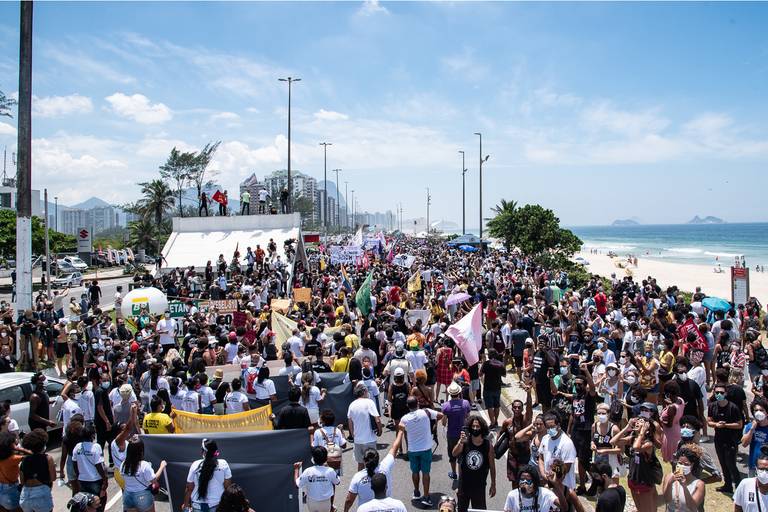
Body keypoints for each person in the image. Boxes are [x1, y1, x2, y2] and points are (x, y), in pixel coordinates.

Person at [398, 396, 443, 507]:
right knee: (426, 473)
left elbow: (401, 428)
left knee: (415, 471)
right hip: (426, 448)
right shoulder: (426, 412)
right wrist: (433, 423)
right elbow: (440, 415)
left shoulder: (404, 418)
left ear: (407, 406)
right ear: (417, 403)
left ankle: (417, 492)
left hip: (412, 449)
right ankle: (426, 497)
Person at [343, 431, 404, 512]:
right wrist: (400, 432)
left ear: (364, 461)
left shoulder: (358, 477)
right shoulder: (385, 466)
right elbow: (394, 448)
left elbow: (349, 500)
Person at [611, 416, 658, 512]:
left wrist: (642, 433)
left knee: (647, 509)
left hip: (644, 482)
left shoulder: (648, 444)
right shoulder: (632, 439)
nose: (637, 422)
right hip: (633, 479)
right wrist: (627, 427)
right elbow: (613, 441)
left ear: (647, 429)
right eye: (637, 421)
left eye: (641, 422)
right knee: (639, 508)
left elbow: (636, 447)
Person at [451, 415, 496, 512]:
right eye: (473, 426)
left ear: (482, 428)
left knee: (479, 510)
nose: (475, 428)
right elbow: (454, 453)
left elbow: (492, 466)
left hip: (479, 486)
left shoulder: (488, 445)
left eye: (477, 426)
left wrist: (493, 484)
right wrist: (461, 443)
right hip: (464, 485)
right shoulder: (464, 441)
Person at [708, 381, 743, 493]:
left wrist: (725, 425)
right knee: (723, 463)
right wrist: (716, 424)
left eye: (721, 392)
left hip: (730, 440)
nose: (719, 394)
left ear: (726, 393)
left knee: (731, 464)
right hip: (718, 439)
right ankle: (727, 485)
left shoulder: (733, 407)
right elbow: (709, 421)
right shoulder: (712, 406)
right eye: (717, 392)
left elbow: (739, 424)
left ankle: (739, 488)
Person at [183, 439, 232, 512]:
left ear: (204, 452)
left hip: (198, 506)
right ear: (216, 451)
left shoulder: (195, 465)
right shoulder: (224, 464)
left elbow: (189, 488)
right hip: (217, 505)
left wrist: (186, 506)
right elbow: (227, 487)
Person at [120, 438, 167, 512]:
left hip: (128, 495)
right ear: (141, 451)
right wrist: (162, 467)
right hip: (142, 495)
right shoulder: (144, 465)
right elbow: (154, 479)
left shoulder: (123, 464)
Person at [72, 424, 107, 511]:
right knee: (99, 501)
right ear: (93, 435)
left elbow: (74, 463)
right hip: (95, 480)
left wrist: (79, 475)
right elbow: (99, 465)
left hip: (82, 480)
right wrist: (105, 479)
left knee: (87, 503)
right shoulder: (96, 447)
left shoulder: (77, 447)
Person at [18, 428, 55, 512]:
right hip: (41, 495)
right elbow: (53, 478)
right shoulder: (48, 458)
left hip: (25, 496)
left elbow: (22, 481)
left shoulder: (24, 460)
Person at [538, 412, 577, 491]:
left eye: (552, 427)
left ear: (558, 425)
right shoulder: (545, 439)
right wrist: (543, 474)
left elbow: (566, 468)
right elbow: (541, 458)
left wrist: (554, 478)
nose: (550, 430)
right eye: (548, 427)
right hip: (549, 482)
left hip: (564, 486)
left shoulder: (566, 443)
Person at [294, 446, 340, 512]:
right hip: (326, 502)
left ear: (313, 458)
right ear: (326, 458)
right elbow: (337, 482)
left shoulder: (308, 471)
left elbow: (297, 485)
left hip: (312, 502)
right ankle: (332, 506)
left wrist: (296, 470)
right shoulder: (330, 471)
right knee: (332, 482)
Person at [347, 383, 382, 471]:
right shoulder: (369, 402)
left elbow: (350, 422)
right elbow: (377, 419)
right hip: (369, 439)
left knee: (360, 464)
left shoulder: (352, 405)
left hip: (358, 440)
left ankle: (361, 479)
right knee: (372, 464)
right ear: (363, 392)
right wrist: (380, 431)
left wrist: (353, 435)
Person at [661, 445, 705, 512]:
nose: (682, 466)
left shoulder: (699, 484)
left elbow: (692, 507)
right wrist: (669, 483)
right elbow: (666, 500)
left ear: (692, 465)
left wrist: (684, 487)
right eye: (680, 463)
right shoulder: (669, 477)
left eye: (686, 464)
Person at [441, 381, 470, 480]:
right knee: (463, 454)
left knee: (452, 454)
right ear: (459, 392)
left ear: (450, 393)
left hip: (452, 434)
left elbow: (443, 423)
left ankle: (454, 473)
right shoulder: (465, 403)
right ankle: (462, 474)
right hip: (463, 433)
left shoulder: (446, 406)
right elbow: (468, 418)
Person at [734, 445, 768, 512]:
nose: (764, 472)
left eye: (767, 470)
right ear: (756, 469)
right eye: (761, 469)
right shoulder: (745, 484)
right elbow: (738, 507)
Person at [312, 410, 346, 474]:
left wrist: (311, 434)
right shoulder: (337, 430)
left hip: (323, 462)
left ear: (323, 421)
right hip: (336, 461)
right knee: (335, 478)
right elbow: (344, 445)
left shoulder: (317, 432)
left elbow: (314, 447)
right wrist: (342, 432)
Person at [0, 431, 26, 511]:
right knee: (17, 509)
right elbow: (31, 455)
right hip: (11, 489)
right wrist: (19, 447)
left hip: (1, 486)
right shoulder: (13, 459)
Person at [479, 348, 505, 428]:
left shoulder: (486, 363)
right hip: (497, 387)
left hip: (488, 387)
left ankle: (492, 423)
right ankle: (496, 421)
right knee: (497, 405)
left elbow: (480, 374)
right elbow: (504, 374)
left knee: (489, 406)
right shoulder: (500, 364)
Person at [742, 399, 768, 477]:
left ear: (767, 413)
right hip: (753, 466)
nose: (758, 412)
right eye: (756, 410)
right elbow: (744, 444)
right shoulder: (750, 426)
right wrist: (752, 429)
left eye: (761, 410)